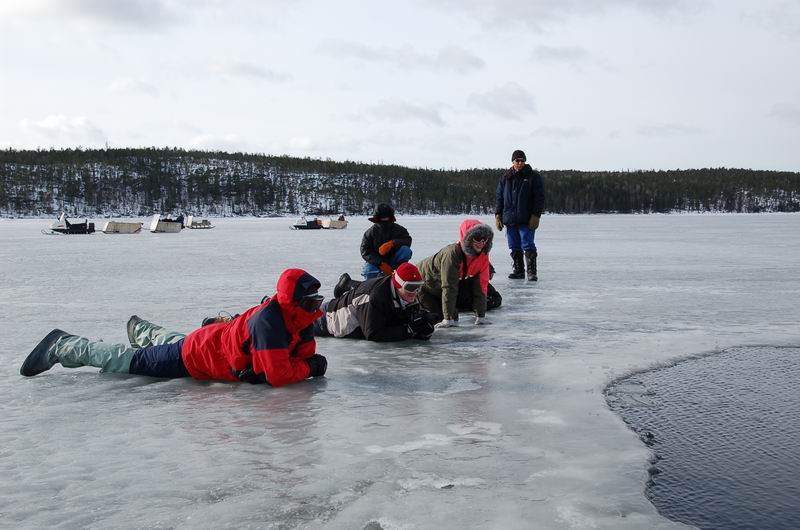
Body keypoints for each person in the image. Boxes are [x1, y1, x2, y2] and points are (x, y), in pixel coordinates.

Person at [20, 269, 328, 387]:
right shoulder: (270, 322)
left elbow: (295, 359)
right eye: (311, 302)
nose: (317, 308)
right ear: (293, 301)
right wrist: (310, 367)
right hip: (198, 356)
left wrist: (306, 363)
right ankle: (65, 345)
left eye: (318, 301)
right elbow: (278, 374)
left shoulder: (298, 320)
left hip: (211, 345)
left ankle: (144, 330)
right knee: (132, 361)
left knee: (183, 342)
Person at [315, 263, 436, 341]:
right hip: (327, 320)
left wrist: (424, 325)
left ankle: (347, 284)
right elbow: (373, 333)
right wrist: (409, 330)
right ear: (398, 285)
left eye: (418, 287)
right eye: (410, 287)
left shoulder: (406, 295)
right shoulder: (375, 297)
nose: (415, 292)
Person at [417, 219, 494, 328]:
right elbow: (449, 286)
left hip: (441, 286)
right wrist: (448, 318)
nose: (481, 242)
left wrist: (481, 316)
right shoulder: (452, 254)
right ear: (468, 238)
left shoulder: (483, 255)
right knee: (436, 319)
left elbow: (481, 286)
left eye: (484, 239)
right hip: (423, 285)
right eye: (477, 238)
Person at [495, 149, 545, 281]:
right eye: (517, 160)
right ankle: (518, 270)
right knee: (514, 245)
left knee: (528, 244)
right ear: (512, 162)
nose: (520, 163)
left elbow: (539, 197)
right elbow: (499, 197)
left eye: (522, 160)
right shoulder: (505, 177)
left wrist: (536, 215)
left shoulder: (533, 177)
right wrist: (497, 214)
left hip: (526, 219)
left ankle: (531, 272)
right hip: (510, 219)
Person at [360, 203, 413, 279]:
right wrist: (381, 263)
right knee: (368, 271)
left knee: (406, 250)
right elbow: (365, 251)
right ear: (377, 217)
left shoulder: (399, 229)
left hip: (394, 260)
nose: (384, 219)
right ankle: (372, 285)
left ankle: (400, 271)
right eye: (382, 217)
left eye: (386, 217)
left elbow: (407, 240)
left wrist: (392, 243)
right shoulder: (370, 233)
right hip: (377, 263)